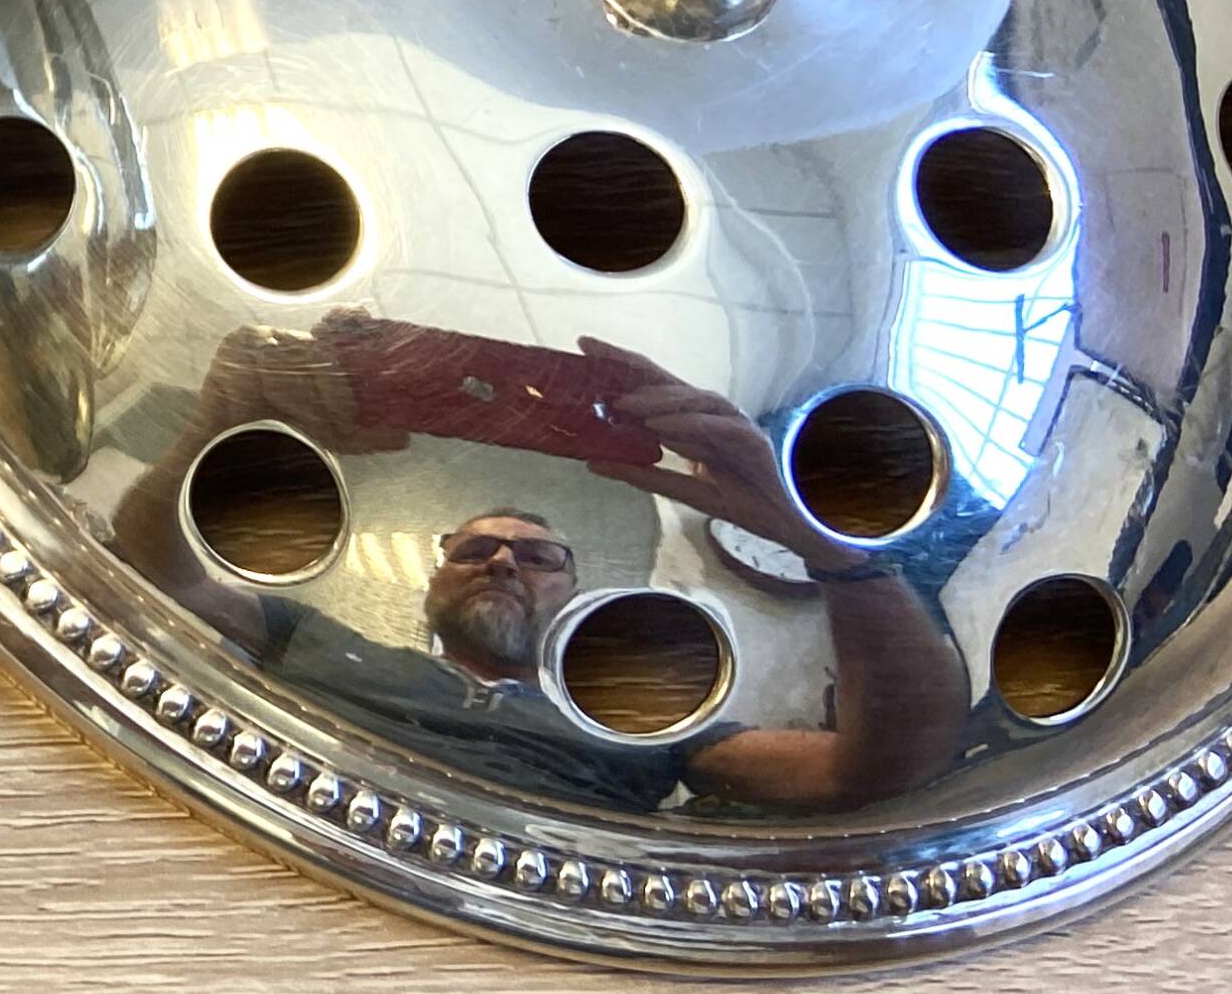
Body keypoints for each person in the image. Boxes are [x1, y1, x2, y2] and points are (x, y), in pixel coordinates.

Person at [108, 321, 964, 814]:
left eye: (538, 555)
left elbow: (877, 767)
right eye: (476, 548)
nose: (505, 560)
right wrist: (210, 429)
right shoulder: (313, 640)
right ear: (432, 580)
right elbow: (155, 573)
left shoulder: (644, 731)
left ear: (574, 592)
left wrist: (821, 542)